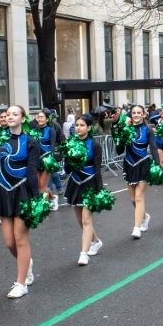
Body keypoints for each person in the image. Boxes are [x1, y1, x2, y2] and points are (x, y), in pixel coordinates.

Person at [0, 105, 40, 299]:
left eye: (14, 114)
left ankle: (21, 283)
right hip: (3, 190)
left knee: (20, 238)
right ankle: (26, 263)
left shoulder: (31, 142)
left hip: (22, 192)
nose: (10, 116)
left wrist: (35, 199)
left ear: (23, 118)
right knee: (9, 241)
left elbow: (33, 171)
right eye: (7, 114)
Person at [64, 114, 105, 266]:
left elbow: (97, 168)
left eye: (81, 125)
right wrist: (68, 157)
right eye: (76, 125)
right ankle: (95, 241)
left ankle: (83, 254)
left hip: (90, 183)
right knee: (81, 221)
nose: (78, 128)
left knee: (87, 219)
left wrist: (99, 189)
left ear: (88, 128)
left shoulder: (94, 145)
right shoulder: (70, 143)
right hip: (75, 183)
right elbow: (67, 169)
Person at [118, 104, 155, 239]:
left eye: (139, 112)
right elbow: (119, 150)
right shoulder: (126, 129)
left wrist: (157, 165)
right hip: (129, 164)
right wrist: (121, 137)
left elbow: (154, 148)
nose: (136, 115)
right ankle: (145, 217)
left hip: (143, 164)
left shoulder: (148, 130)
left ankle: (136, 227)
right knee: (133, 199)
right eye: (134, 113)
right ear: (131, 115)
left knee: (139, 197)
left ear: (144, 114)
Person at [33, 108, 65, 211]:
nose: (40, 119)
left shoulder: (51, 130)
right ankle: (53, 197)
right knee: (39, 185)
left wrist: (50, 159)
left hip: (47, 160)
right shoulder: (35, 130)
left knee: (42, 186)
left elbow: (52, 146)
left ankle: (43, 206)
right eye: (39, 117)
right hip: (36, 160)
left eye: (42, 117)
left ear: (47, 119)